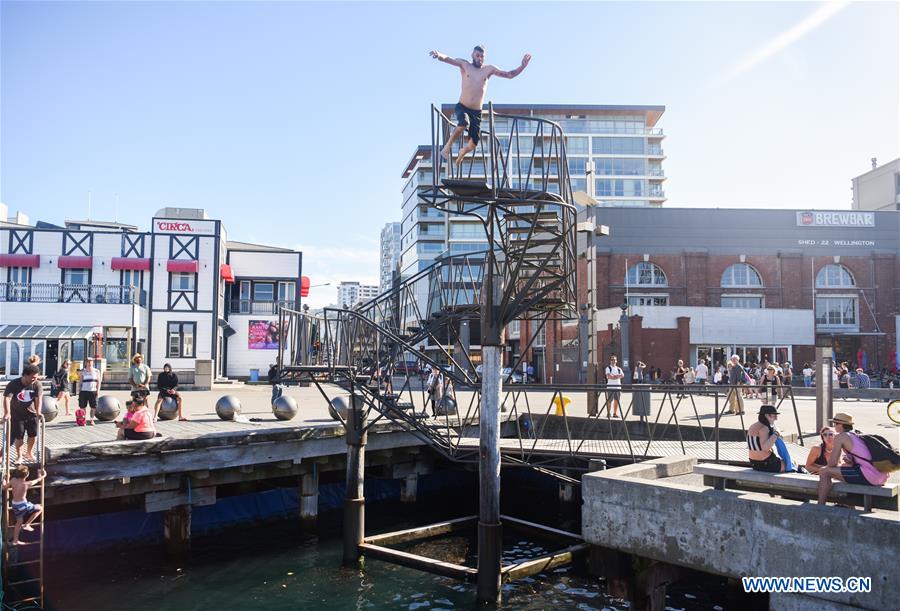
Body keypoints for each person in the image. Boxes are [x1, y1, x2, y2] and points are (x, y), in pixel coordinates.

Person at [429, 45, 532, 164]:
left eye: (482, 56)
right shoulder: (465, 65)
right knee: (463, 123)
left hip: (476, 112)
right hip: (462, 106)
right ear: (472, 55)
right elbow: (449, 59)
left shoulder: (489, 70)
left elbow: (509, 74)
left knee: (473, 145)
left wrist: (522, 66)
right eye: (477, 55)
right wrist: (439, 55)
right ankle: (447, 147)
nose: (479, 58)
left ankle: (463, 151)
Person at [817, 412, 888, 504]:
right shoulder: (856, 435)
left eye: (836, 423)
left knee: (824, 471)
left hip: (870, 476)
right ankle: (849, 506)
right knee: (843, 472)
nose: (834, 426)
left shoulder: (840, 437)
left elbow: (831, 464)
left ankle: (820, 506)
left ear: (841, 425)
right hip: (881, 476)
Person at [2, 364, 43, 462]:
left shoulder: (37, 384)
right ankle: (19, 456)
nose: (34, 379)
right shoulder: (14, 384)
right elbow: (7, 398)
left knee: (33, 435)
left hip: (32, 414)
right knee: (19, 437)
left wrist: (38, 412)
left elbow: (39, 399)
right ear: (25, 375)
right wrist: (7, 413)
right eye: (33, 377)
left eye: (36, 377)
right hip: (17, 415)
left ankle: (29, 452)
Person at [2, 465, 46, 545]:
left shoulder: (13, 480)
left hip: (14, 504)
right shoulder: (27, 483)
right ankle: (27, 524)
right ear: (27, 475)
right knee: (40, 508)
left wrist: (4, 480)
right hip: (23, 505)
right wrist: (43, 475)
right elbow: (38, 480)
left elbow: (4, 487)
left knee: (19, 522)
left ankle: (15, 540)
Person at [746, 405, 797, 472]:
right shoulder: (764, 428)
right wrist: (776, 433)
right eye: (774, 416)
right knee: (793, 463)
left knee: (789, 463)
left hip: (754, 463)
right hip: (767, 463)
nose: (776, 419)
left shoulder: (752, 426)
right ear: (766, 415)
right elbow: (765, 448)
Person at [78, 357, 102, 426]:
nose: (89, 363)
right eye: (88, 362)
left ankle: (91, 420)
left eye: (91, 362)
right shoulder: (83, 371)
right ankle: (83, 420)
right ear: (86, 363)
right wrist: (79, 391)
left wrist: (98, 390)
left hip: (93, 391)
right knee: (82, 407)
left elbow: (99, 382)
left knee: (93, 407)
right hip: (84, 391)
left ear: (93, 362)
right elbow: (80, 381)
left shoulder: (97, 371)